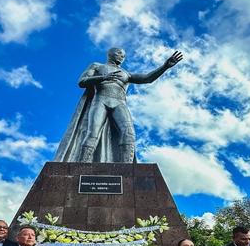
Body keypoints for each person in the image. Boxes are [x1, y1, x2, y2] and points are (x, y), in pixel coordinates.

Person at [53, 47, 183, 163]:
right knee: (92, 133)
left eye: (124, 55)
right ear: (110, 54)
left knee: (128, 133)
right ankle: (81, 166)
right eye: (119, 53)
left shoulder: (127, 74)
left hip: (119, 103)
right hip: (100, 100)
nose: (122, 56)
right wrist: (103, 78)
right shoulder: (97, 66)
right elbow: (82, 82)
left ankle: (127, 170)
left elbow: (147, 78)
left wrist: (165, 66)